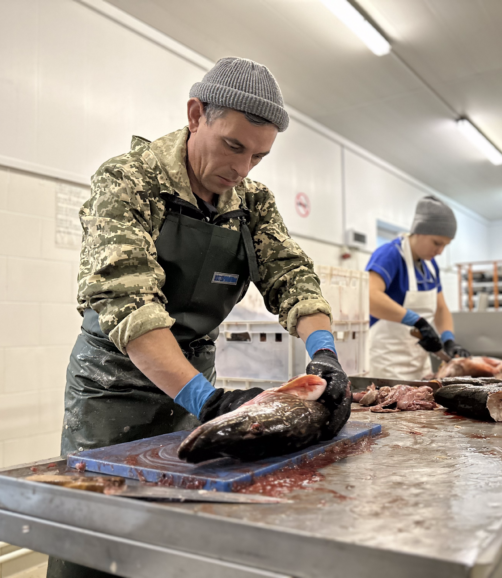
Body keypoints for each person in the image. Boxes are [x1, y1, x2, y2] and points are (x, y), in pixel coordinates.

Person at [49, 58, 351, 578]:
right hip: (113, 386)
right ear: (196, 115)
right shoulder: (129, 180)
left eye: (259, 155)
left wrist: (323, 350)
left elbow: (292, 276)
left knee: (178, 527)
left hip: (196, 380)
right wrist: (206, 400)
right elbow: (129, 302)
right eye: (233, 145)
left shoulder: (251, 201)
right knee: (96, 531)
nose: (242, 168)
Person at [366, 196, 471, 380]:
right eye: (437, 243)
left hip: (420, 364)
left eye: (445, 246)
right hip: (388, 364)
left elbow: (440, 308)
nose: (440, 252)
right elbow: (370, 297)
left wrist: (448, 339)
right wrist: (417, 322)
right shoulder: (390, 254)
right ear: (418, 231)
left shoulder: (431, 266)